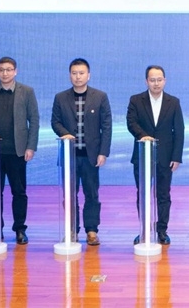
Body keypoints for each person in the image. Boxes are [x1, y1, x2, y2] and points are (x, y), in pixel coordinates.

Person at [0, 56, 40, 245]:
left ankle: (20, 229)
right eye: (1, 70)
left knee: (19, 192)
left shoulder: (27, 92)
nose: (5, 73)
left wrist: (31, 146)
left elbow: (34, 120)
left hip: (17, 152)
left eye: (9, 69)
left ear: (15, 71)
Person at [51, 58, 112, 246]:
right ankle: (72, 230)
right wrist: (65, 134)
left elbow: (106, 126)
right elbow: (55, 122)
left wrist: (103, 152)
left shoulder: (100, 97)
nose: (78, 77)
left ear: (88, 75)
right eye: (74, 73)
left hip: (91, 156)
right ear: (70, 75)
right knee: (70, 195)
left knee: (91, 193)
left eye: (81, 73)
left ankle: (92, 230)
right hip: (69, 156)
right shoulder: (61, 98)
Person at [126, 65, 185, 245]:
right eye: (152, 80)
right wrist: (143, 136)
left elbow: (179, 131)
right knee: (143, 194)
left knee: (163, 195)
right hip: (142, 155)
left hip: (165, 158)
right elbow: (131, 123)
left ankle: (162, 231)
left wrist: (176, 157)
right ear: (146, 81)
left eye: (159, 80)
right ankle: (144, 230)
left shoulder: (173, 102)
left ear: (164, 81)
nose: (156, 83)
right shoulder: (136, 100)